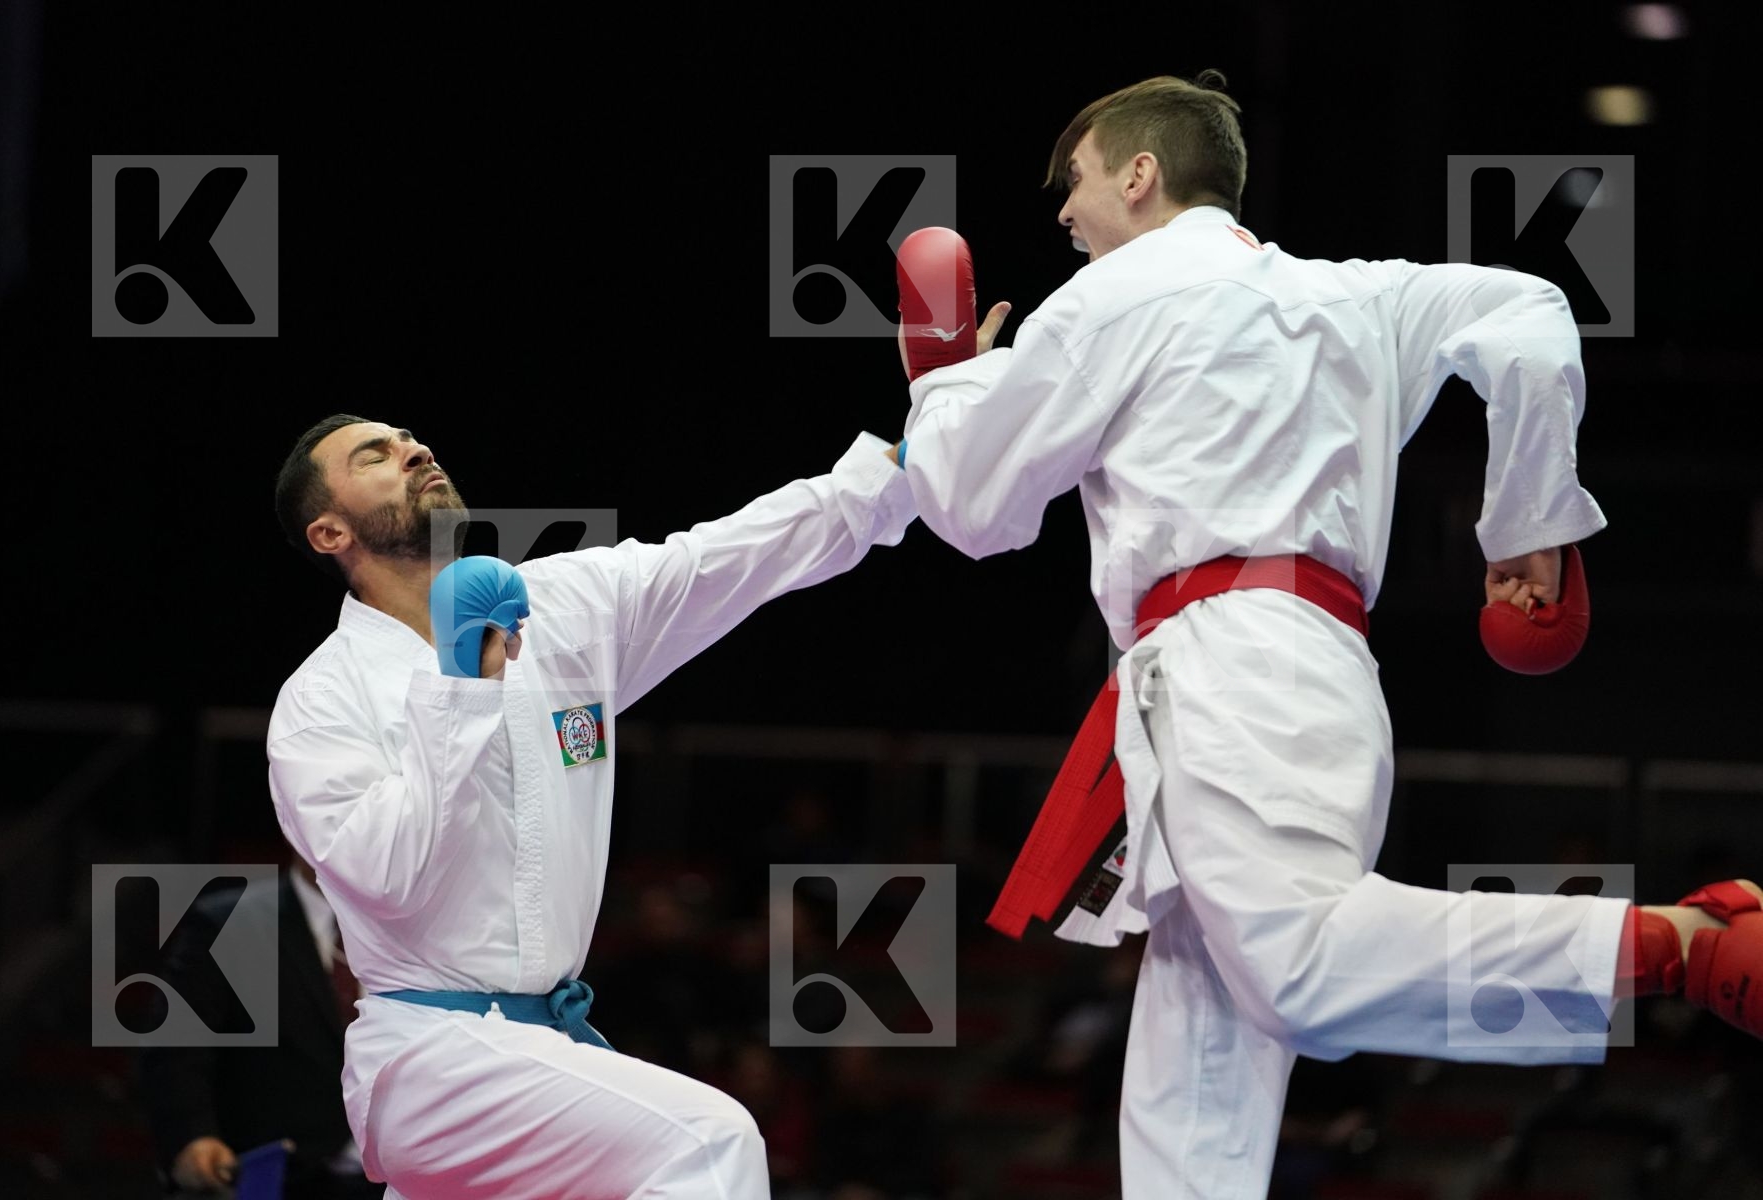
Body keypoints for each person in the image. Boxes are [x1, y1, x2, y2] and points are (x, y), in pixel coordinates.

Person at [891, 71, 1762, 1198]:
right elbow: (1534, 313)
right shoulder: (1357, 296)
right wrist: (1530, 519)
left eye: (1079, 184)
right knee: (1200, 1058)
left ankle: (1676, 945)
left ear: (1142, 174)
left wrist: (950, 385)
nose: (1064, 215)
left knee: (1296, 968)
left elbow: (970, 509)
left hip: (1233, 660)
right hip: (1294, 665)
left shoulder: (1113, 296)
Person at [266, 414, 913, 1199]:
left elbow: (732, 555)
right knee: (709, 1143)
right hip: (430, 1058)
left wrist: (918, 453)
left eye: (411, 440)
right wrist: (462, 687)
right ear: (330, 532)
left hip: (542, 1050)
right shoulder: (319, 701)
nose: (414, 450)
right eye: (376, 455)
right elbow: (386, 875)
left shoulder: (556, 609)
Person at [137, 850, 384, 1198]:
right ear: (293, 823)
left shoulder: (423, 929)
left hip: (403, 1180)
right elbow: (176, 1047)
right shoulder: (230, 922)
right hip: (276, 1179)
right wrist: (192, 1136)